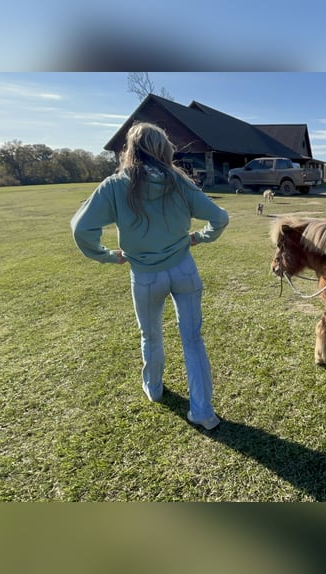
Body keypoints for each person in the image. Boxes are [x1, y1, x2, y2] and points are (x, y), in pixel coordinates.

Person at [71, 122, 229, 430]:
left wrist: (105, 255)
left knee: (151, 335)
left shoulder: (116, 184)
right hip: (184, 269)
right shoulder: (179, 181)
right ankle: (203, 412)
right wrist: (200, 237)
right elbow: (219, 218)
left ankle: (154, 389)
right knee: (193, 340)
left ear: (131, 150)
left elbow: (81, 229)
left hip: (145, 276)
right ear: (163, 148)